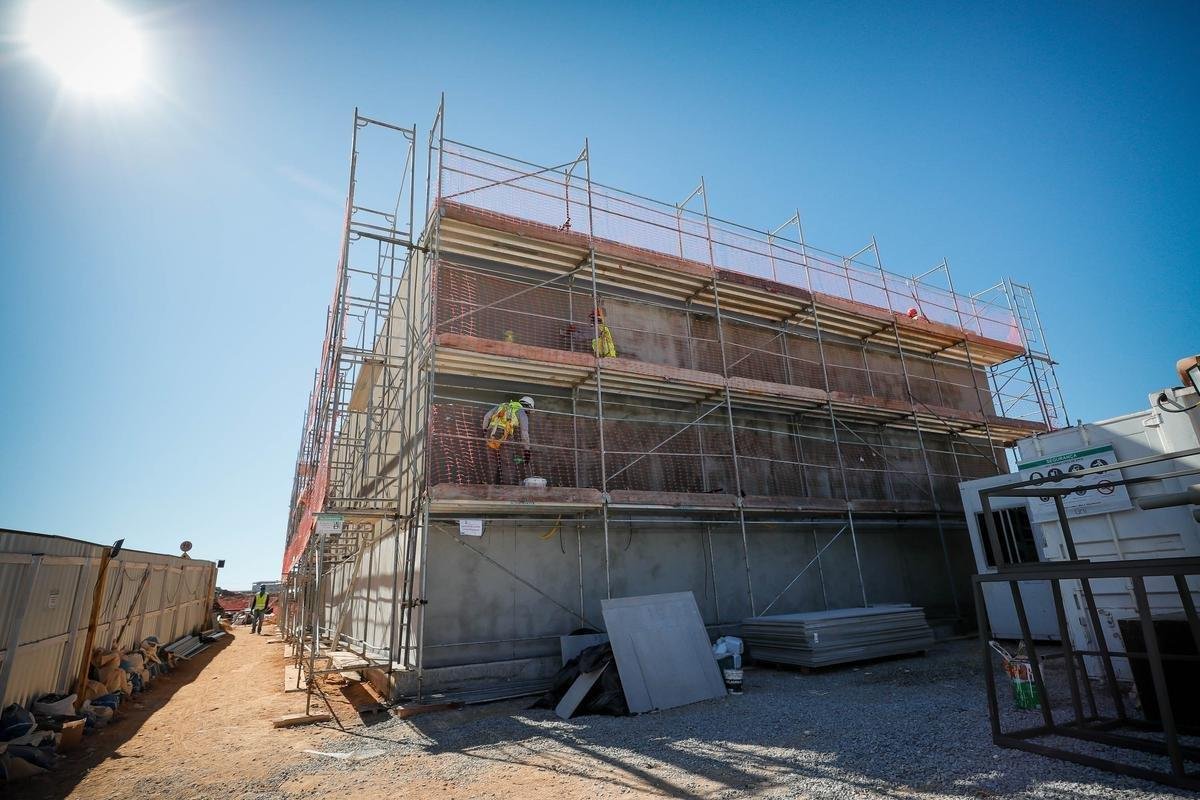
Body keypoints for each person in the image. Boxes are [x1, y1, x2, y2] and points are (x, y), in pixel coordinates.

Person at [481, 396, 535, 484]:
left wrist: (484, 431)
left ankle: (489, 486)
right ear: (528, 408)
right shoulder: (521, 411)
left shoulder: (503, 405)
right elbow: (524, 433)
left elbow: (487, 417)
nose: (528, 414)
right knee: (507, 464)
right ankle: (507, 487)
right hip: (505, 436)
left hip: (490, 434)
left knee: (492, 462)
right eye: (529, 412)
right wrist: (527, 450)